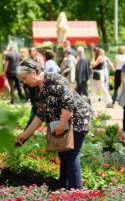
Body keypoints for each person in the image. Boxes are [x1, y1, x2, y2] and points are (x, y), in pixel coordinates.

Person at [16, 59, 93, 190]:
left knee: (71, 154)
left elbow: (68, 103)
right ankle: (63, 187)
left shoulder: (54, 79)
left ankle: (75, 190)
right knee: (63, 154)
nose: (24, 82)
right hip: (64, 122)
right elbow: (40, 115)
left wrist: (62, 124)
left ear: (34, 72)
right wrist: (25, 134)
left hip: (78, 120)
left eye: (25, 78)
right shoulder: (37, 89)